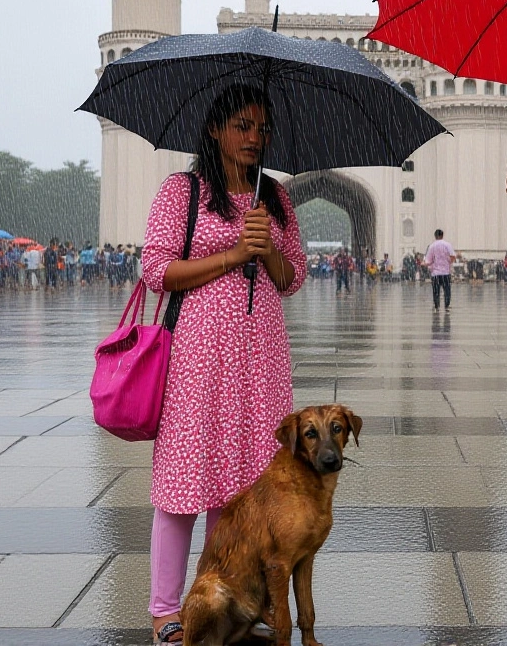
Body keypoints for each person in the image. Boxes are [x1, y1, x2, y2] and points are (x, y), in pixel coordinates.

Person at [139, 84, 307, 642]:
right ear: (214, 130)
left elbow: (292, 280)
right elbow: (156, 270)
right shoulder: (183, 192)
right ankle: (167, 610)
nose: (253, 137)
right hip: (199, 356)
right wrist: (233, 253)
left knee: (241, 491)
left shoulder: (276, 200)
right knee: (186, 481)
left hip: (260, 360)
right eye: (241, 125)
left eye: (262, 128)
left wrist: (268, 250)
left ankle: (224, 602)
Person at [424, 229, 456, 312]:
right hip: (445, 272)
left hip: (436, 273)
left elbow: (428, 261)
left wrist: (425, 264)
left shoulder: (432, 246)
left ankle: (437, 306)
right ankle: (447, 306)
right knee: (447, 290)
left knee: (436, 291)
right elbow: (453, 256)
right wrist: (448, 262)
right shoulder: (447, 245)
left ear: (435, 236)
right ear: (442, 235)